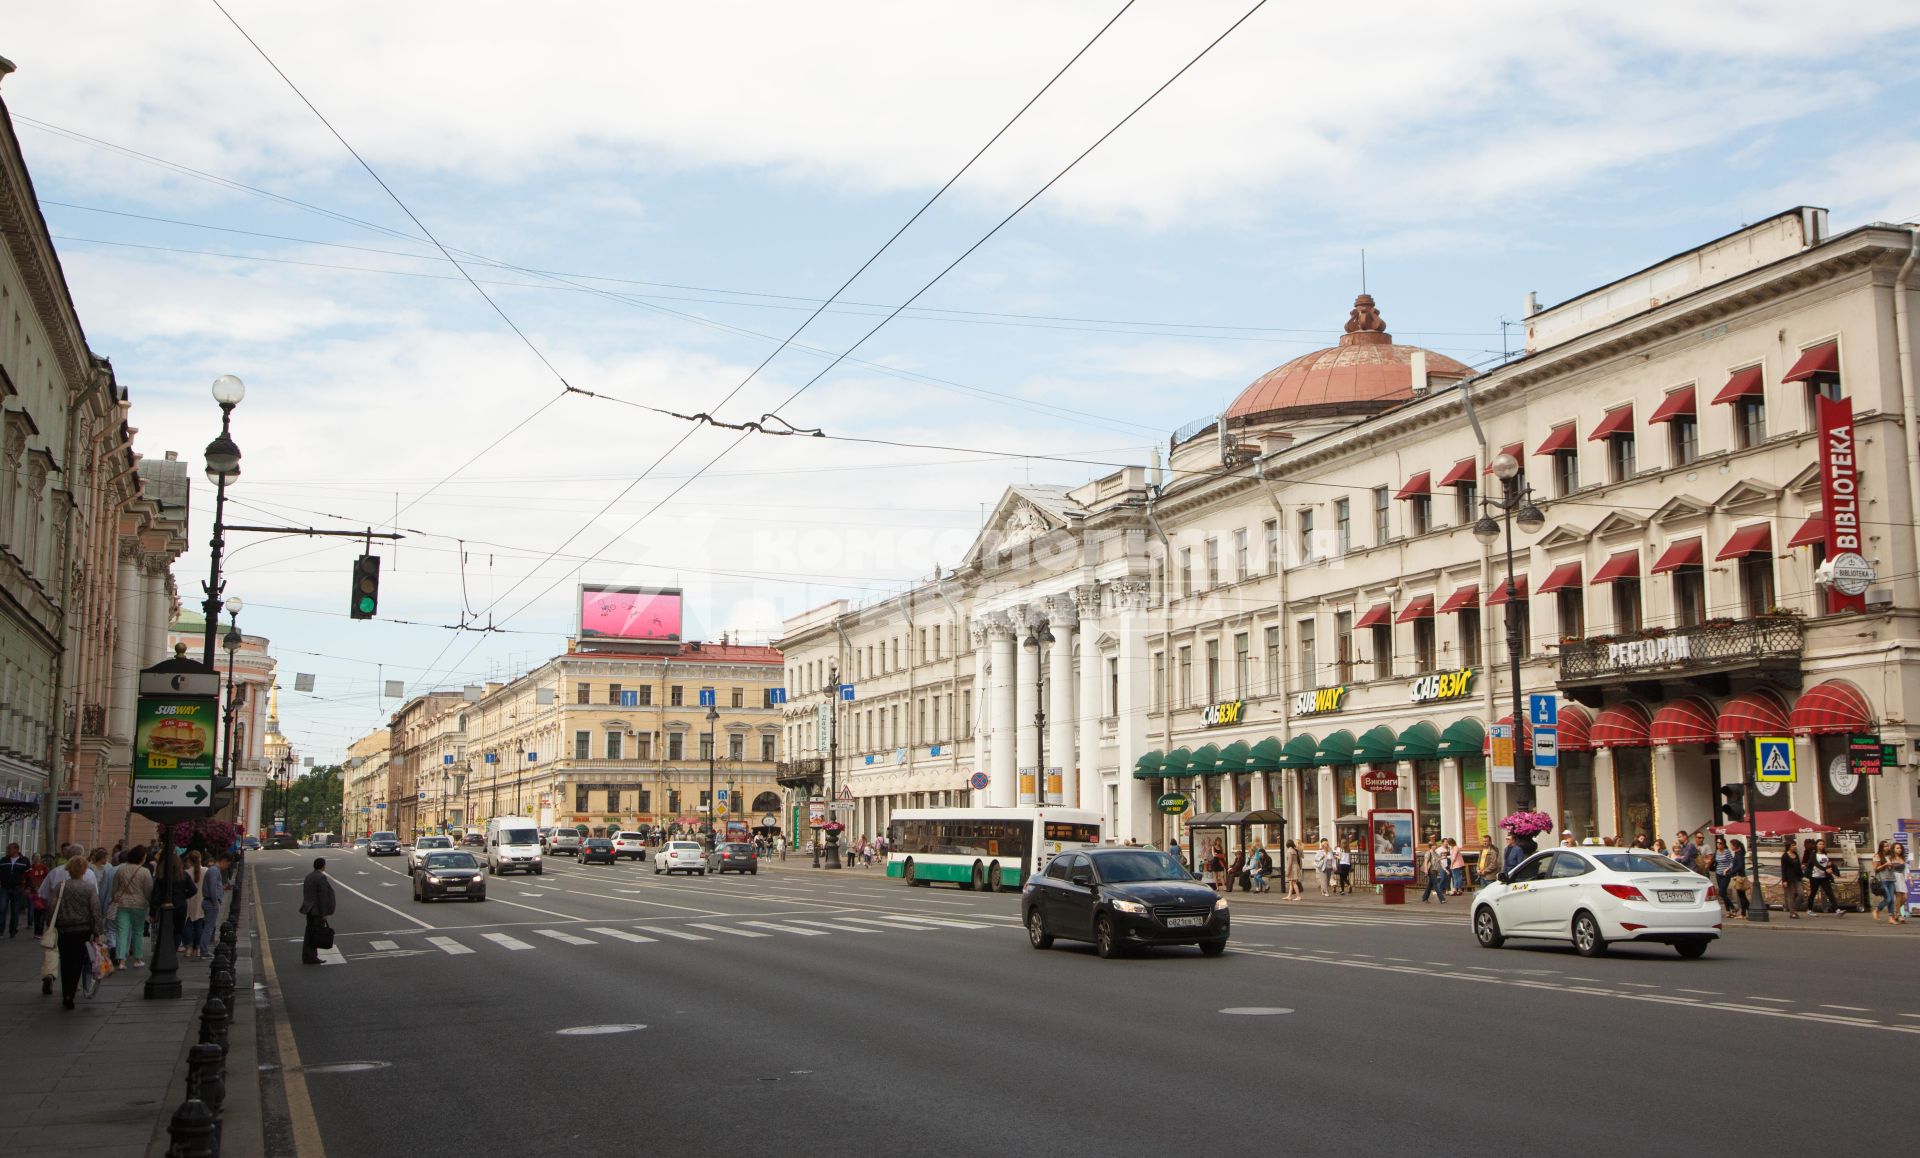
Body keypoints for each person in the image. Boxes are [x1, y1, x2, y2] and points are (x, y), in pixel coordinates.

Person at [49, 855, 104, 1010]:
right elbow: (95, 911)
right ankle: (71, 993)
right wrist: (98, 931)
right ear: (84, 870)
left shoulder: (61, 886)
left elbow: (52, 907)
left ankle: (66, 991)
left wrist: (50, 925)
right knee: (78, 962)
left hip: (64, 929)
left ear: (69, 869)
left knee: (65, 961)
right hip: (83, 930)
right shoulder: (89, 888)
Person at [110, 847, 154, 967]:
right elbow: (148, 891)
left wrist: (115, 897)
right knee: (138, 932)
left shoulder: (121, 870)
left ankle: (121, 959)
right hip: (139, 905)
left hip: (122, 904)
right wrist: (151, 906)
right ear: (140, 858)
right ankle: (137, 959)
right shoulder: (144, 871)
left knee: (122, 932)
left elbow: (114, 887)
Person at [299, 857, 336, 964]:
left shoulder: (309, 876)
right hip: (317, 911)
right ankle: (312, 957)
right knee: (315, 934)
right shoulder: (321, 878)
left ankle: (306, 956)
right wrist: (324, 914)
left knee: (309, 933)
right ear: (323, 866)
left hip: (309, 908)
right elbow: (323, 897)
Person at [200, 852, 230, 956]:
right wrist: (215, 901)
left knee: (209, 926)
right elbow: (212, 887)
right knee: (209, 927)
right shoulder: (214, 871)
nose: (227, 867)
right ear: (224, 861)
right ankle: (204, 950)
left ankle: (204, 949)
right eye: (228, 864)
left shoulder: (214, 870)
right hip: (211, 902)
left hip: (210, 901)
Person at [0, 841, 31, 937]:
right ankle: (0, 931)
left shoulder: (24, 860)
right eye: (8, 849)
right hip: (4, 888)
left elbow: (29, 876)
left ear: (17, 850)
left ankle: (13, 930)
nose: (8, 850)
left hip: (18, 888)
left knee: (15, 911)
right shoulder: (3, 860)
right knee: (2, 909)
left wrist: (28, 888)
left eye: (10, 849)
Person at [1804, 839, 1842, 915]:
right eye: (1820, 844)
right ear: (1816, 845)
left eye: (1823, 844)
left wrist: (1830, 866)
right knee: (1813, 893)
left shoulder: (1824, 854)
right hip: (1815, 877)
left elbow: (1825, 863)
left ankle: (1837, 910)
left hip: (1824, 877)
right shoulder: (1813, 853)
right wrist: (1826, 869)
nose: (1822, 845)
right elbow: (1816, 864)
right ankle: (1809, 910)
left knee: (1829, 893)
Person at [1871, 841, 1898, 923]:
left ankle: (1891, 918)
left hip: (1891, 879)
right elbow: (1875, 869)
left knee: (1892, 900)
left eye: (1888, 846)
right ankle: (1877, 910)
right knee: (1888, 898)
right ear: (1881, 847)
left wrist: (1893, 865)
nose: (1887, 847)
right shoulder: (1877, 855)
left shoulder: (1890, 856)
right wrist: (1885, 865)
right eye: (1885, 846)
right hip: (1882, 879)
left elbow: (1893, 867)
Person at [1711, 835, 1735, 916]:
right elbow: (1715, 861)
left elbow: (1732, 862)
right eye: (1717, 843)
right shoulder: (1716, 851)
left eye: (1720, 843)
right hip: (1718, 873)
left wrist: (1727, 869)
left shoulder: (1727, 851)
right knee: (1723, 893)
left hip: (1726, 874)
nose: (1718, 844)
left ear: (1724, 844)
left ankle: (1733, 907)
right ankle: (1729, 911)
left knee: (1721, 893)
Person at [1779, 840, 1804, 919]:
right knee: (1791, 895)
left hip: (1797, 877)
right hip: (1789, 878)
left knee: (1801, 894)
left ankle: (1794, 907)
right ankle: (1792, 912)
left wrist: (1801, 871)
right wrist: (1784, 880)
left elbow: (1798, 865)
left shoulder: (1795, 854)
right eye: (1793, 845)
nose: (1795, 847)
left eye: (1795, 845)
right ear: (1789, 846)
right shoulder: (1785, 856)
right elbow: (1783, 869)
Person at [1727, 839, 1750, 919]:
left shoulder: (1739, 854)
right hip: (1740, 876)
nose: (1730, 846)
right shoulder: (1738, 853)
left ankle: (1743, 914)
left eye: (1731, 845)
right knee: (1742, 895)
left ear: (1735, 846)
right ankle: (1749, 912)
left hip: (1740, 877)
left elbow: (1739, 866)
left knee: (1741, 896)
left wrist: (1732, 872)